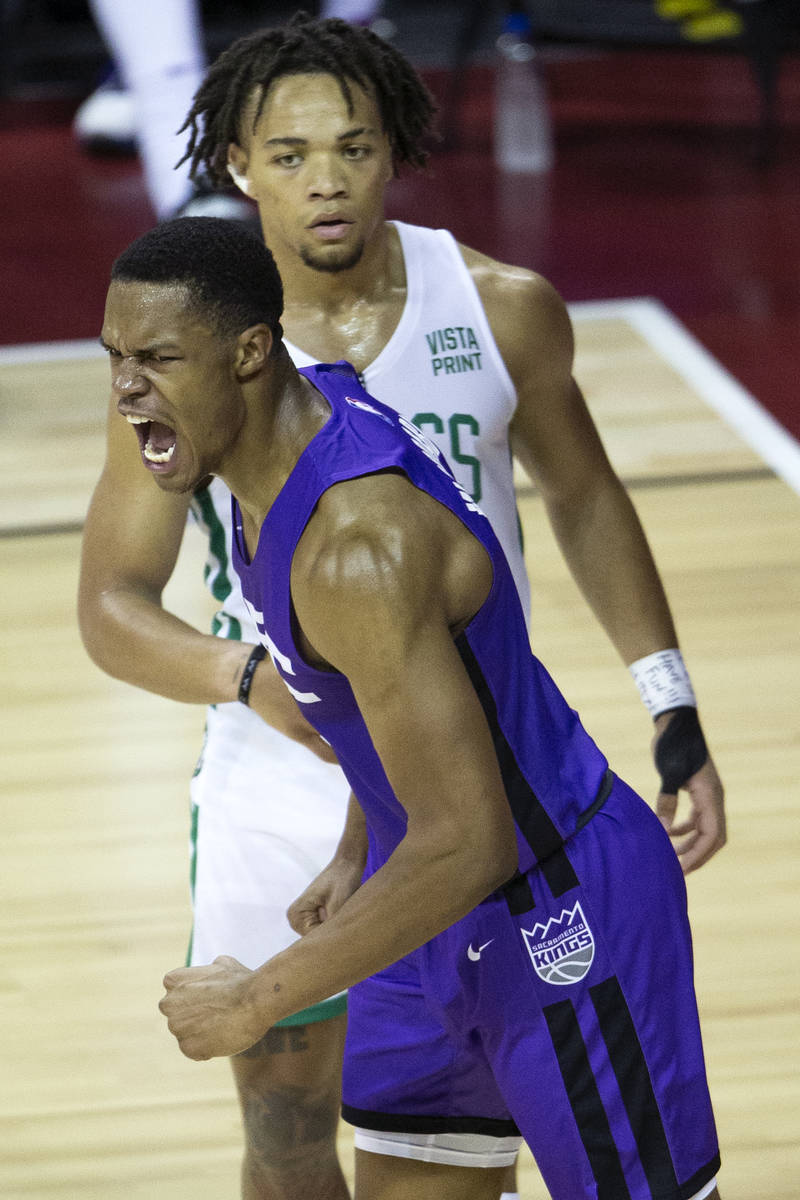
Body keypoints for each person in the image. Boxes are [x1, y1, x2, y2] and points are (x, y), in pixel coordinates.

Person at [78, 13, 726, 1199]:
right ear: (237, 164)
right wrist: (327, 795)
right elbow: (116, 606)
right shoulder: (246, 381)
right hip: (367, 811)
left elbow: (574, 510)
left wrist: (667, 698)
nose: (324, 180)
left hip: (514, 850)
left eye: (353, 147)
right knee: (303, 1132)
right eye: (287, 154)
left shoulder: (360, 492)